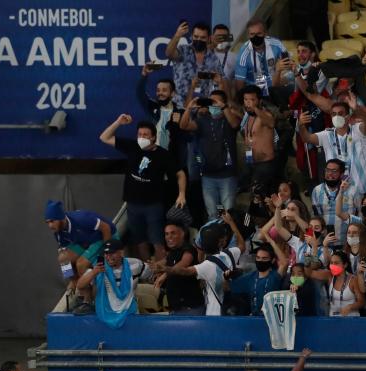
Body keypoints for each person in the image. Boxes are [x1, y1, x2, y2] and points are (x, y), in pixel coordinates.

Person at [100, 114, 186, 261]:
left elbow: (180, 174)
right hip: (133, 204)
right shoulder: (132, 147)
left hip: (153, 205)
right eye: (139, 134)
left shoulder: (162, 155)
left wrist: (182, 194)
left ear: (153, 137)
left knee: (157, 241)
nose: (141, 137)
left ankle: (161, 271)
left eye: (145, 135)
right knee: (139, 240)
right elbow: (104, 137)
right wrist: (118, 122)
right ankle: (147, 270)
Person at [159, 212, 244, 316]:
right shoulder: (229, 254)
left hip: (214, 315)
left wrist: (166, 270)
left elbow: (185, 271)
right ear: (222, 242)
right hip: (230, 312)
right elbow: (242, 245)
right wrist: (231, 223)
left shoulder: (207, 265)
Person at [178, 90, 238, 215]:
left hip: (227, 175)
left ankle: (229, 234)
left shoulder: (228, 118)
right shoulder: (202, 120)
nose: (213, 104)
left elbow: (235, 124)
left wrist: (224, 107)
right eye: (211, 101)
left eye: (216, 101)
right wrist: (189, 108)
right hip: (207, 175)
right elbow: (183, 126)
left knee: (228, 213)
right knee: (212, 213)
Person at [75, 239, 154, 328]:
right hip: (105, 315)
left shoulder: (136, 264)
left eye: (112, 253)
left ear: (121, 253)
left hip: (131, 315)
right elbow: (80, 285)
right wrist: (94, 272)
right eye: (106, 254)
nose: (108, 257)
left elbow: (152, 275)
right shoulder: (98, 267)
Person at [44, 201, 115, 297]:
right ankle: (74, 281)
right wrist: (71, 276)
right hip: (85, 241)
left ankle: (87, 299)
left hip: (103, 236)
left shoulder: (81, 219)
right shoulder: (57, 231)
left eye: (52, 221)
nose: (50, 226)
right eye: (47, 222)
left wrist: (107, 252)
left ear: (61, 218)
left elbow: (106, 228)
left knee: (81, 264)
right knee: (62, 259)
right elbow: (64, 254)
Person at [165, 21, 224, 109]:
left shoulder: (213, 58)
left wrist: (219, 81)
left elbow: (220, 82)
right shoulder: (183, 50)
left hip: (202, 108)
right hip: (179, 105)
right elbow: (169, 53)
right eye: (196, 36)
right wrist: (177, 35)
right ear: (191, 36)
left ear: (209, 38)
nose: (199, 40)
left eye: (203, 37)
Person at [156, 222, 204, 315]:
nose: (169, 237)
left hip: (190, 308)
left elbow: (184, 264)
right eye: (166, 234)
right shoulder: (171, 253)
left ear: (182, 234)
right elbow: (159, 265)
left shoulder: (189, 249)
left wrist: (165, 274)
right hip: (175, 309)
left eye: (173, 233)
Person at [238, 85, 280, 193]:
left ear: (259, 101)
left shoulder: (265, 115)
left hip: (265, 164)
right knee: (253, 196)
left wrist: (256, 108)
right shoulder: (248, 117)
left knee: (262, 197)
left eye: (252, 100)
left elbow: (271, 123)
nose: (248, 103)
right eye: (246, 99)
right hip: (251, 162)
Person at [233, 20, 288, 97]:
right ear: (248, 35)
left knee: (290, 77)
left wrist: (282, 73)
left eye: (259, 33)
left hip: (275, 84)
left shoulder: (276, 44)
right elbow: (239, 83)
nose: (255, 37)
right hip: (255, 91)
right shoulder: (243, 54)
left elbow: (287, 63)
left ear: (265, 33)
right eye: (252, 34)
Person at [230, 244, 287, 316]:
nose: (260, 260)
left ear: (272, 260)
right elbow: (228, 287)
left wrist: (269, 239)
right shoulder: (249, 277)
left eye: (264, 258)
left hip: (272, 320)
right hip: (255, 320)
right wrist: (226, 277)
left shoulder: (275, 276)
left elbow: (284, 263)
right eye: (258, 258)